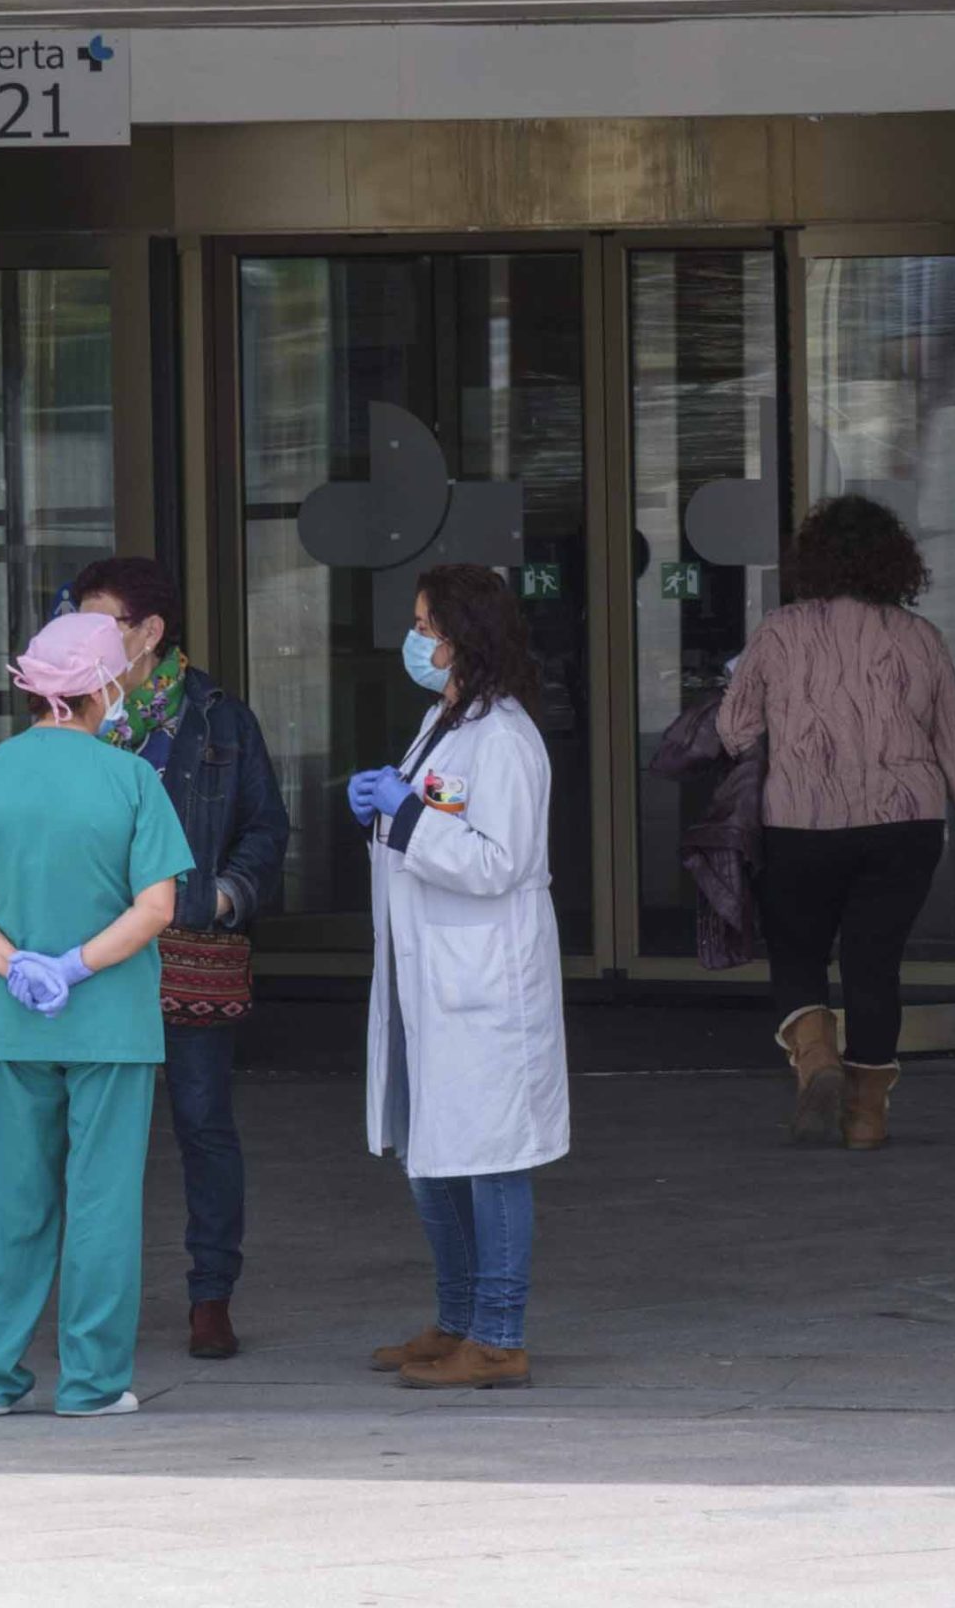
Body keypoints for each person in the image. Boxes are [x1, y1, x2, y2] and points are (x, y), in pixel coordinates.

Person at [0, 611, 194, 1419]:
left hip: (12, 1023)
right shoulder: (132, 780)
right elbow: (156, 908)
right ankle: (91, 1383)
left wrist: (19, 968)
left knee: (7, 1200)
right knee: (102, 1202)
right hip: (112, 1025)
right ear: (103, 686)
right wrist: (77, 967)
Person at [347, 564, 569, 1392]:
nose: (417, 642)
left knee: (492, 1156)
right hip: (425, 973)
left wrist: (401, 818)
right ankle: (455, 1319)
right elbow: (427, 822)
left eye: (427, 628)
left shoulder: (505, 737)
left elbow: (499, 862)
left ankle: (500, 1334)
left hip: (483, 979)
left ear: (464, 636)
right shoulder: (443, 723)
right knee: (431, 1149)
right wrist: (384, 813)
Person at [719, 497, 955, 1152]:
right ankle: (867, 1116)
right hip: (904, 826)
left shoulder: (780, 632)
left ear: (811, 560)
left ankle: (816, 1061)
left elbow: (734, 733)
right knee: (875, 965)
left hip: (800, 824)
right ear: (893, 563)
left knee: (797, 953)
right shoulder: (920, 638)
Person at [69, 555, 289, 1362]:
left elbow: (267, 828)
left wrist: (227, 895)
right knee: (94, 1131)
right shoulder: (70, 711)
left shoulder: (220, 718)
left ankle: (211, 1295)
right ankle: (93, 1299)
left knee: (202, 1124)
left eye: (101, 624)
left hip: (193, 949)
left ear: (149, 632)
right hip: (92, 957)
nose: (82, 639)